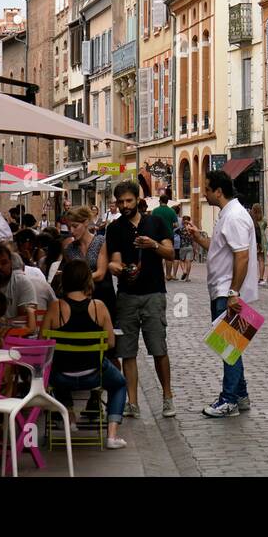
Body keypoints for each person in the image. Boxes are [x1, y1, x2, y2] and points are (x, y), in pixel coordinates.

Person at [183, 169, 258, 418]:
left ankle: (229, 400)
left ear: (218, 191)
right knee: (231, 346)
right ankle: (242, 394)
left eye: (207, 188)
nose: (204, 193)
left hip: (228, 292)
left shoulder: (234, 216)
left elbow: (242, 255)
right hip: (223, 290)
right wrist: (198, 237)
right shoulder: (228, 214)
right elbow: (218, 249)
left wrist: (233, 293)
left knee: (228, 347)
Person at [104, 181, 176, 419]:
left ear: (137, 200)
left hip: (154, 293)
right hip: (126, 295)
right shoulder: (115, 228)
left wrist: (153, 244)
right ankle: (132, 402)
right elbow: (114, 259)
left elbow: (170, 253)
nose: (125, 206)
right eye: (120, 202)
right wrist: (117, 268)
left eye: (128, 201)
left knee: (158, 348)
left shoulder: (155, 222)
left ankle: (167, 397)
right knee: (128, 352)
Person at [40, 259, 129, 449]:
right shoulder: (99, 307)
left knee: (57, 364)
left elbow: (42, 344)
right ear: (88, 281)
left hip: (61, 377)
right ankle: (112, 435)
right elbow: (111, 342)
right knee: (120, 384)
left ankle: (69, 418)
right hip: (93, 374)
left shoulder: (55, 308)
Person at [56, 207, 115, 319]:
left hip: (102, 295)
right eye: (69, 227)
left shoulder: (100, 241)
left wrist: (75, 278)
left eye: (75, 226)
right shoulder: (69, 249)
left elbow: (100, 274)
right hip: (79, 301)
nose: (71, 231)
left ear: (86, 222)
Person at [154, 193, 179, 281]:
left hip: (157, 235)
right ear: (167, 201)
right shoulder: (172, 211)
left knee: (158, 255)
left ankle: (160, 274)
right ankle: (168, 275)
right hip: (169, 235)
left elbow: (152, 222)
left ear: (160, 201)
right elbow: (176, 224)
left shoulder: (155, 210)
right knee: (168, 256)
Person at [251, 203, 268, 287]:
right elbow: (264, 228)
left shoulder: (251, 220)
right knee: (261, 260)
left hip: (254, 241)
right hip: (262, 241)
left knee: (253, 260)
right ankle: (261, 278)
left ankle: (252, 277)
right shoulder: (264, 220)